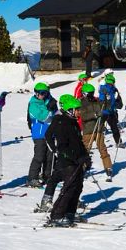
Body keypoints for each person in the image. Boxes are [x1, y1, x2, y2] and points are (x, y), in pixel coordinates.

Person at [44, 94, 91, 226]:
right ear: (70, 110)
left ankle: (70, 212)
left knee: (77, 187)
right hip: (67, 161)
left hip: (76, 161)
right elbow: (63, 147)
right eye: (77, 109)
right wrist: (77, 157)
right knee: (69, 188)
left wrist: (85, 157)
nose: (79, 112)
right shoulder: (61, 122)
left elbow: (78, 143)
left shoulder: (72, 122)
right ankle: (56, 215)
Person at [80, 83, 113, 181]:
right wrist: (94, 114)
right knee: (85, 150)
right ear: (85, 93)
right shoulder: (81, 103)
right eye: (89, 93)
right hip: (88, 131)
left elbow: (105, 107)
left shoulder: (96, 101)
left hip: (98, 129)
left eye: (92, 93)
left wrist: (107, 99)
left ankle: (108, 167)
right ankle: (82, 168)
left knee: (102, 148)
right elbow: (83, 116)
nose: (91, 95)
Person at [27, 82, 58, 187]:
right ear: (36, 93)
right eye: (41, 93)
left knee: (50, 157)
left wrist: (55, 108)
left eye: (45, 93)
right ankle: (32, 178)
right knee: (39, 157)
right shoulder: (33, 104)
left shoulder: (49, 100)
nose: (43, 95)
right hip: (39, 135)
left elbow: (57, 115)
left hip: (50, 134)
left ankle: (47, 176)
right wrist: (50, 110)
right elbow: (44, 117)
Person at [99, 73, 123, 146]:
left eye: (112, 82)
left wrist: (118, 101)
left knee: (114, 128)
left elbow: (118, 101)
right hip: (104, 112)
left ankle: (118, 142)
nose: (111, 84)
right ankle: (98, 143)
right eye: (110, 82)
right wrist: (104, 101)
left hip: (111, 112)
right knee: (99, 129)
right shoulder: (103, 89)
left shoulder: (114, 90)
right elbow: (101, 99)